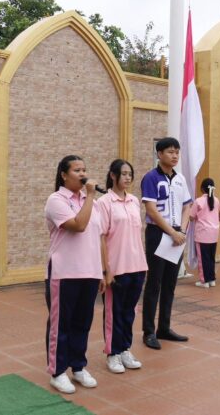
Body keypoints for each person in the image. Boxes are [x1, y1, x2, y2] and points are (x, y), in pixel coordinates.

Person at [44, 155, 105, 394]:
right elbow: (79, 225)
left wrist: (101, 271)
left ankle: (78, 366)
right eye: (77, 170)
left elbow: (97, 237)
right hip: (64, 272)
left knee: (82, 322)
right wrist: (89, 196)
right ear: (63, 175)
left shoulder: (92, 203)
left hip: (90, 271)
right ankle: (58, 371)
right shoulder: (56, 200)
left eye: (84, 170)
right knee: (61, 324)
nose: (83, 174)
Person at [141, 137, 192, 350]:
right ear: (159, 154)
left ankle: (164, 327)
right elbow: (151, 210)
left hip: (177, 234)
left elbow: (187, 206)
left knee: (170, 283)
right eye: (170, 152)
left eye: (177, 152)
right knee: (154, 283)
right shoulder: (150, 178)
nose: (174, 155)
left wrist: (182, 230)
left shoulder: (180, 179)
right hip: (158, 233)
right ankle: (149, 331)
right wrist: (172, 232)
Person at [98, 159, 148, 374]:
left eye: (130, 174)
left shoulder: (134, 201)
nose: (128, 178)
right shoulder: (104, 202)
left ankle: (125, 348)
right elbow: (100, 237)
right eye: (124, 173)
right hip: (116, 268)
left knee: (129, 312)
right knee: (114, 312)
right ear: (113, 175)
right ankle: (113, 353)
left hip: (137, 265)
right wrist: (106, 270)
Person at [189, 178, 220, 289]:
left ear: (202, 189)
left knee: (203, 259)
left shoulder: (198, 201)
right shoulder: (216, 200)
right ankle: (211, 279)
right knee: (211, 258)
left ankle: (204, 281)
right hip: (214, 233)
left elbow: (191, 217)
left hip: (202, 234)